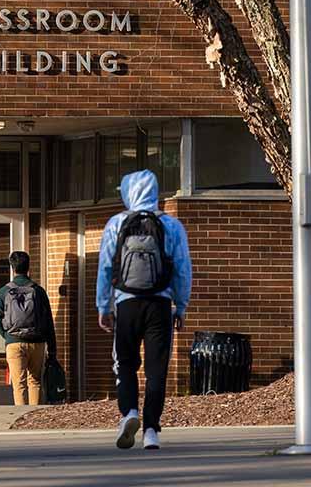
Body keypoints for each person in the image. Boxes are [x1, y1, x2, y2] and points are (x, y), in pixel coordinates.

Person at [97, 169, 192, 450]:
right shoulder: (171, 225)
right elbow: (183, 269)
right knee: (156, 369)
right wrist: (181, 305)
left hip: (126, 303)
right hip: (160, 305)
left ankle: (129, 413)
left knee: (124, 364)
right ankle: (151, 430)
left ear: (128, 192)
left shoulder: (116, 224)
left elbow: (104, 268)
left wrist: (104, 306)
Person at [0, 250, 57, 406]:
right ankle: (33, 419)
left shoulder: (3, 292)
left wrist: (9, 336)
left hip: (14, 343)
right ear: (29, 267)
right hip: (37, 342)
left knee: (19, 384)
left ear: (12, 268)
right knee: (35, 382)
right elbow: (49, 321)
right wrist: (52, 349)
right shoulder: (38, 291)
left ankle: (20, 420)